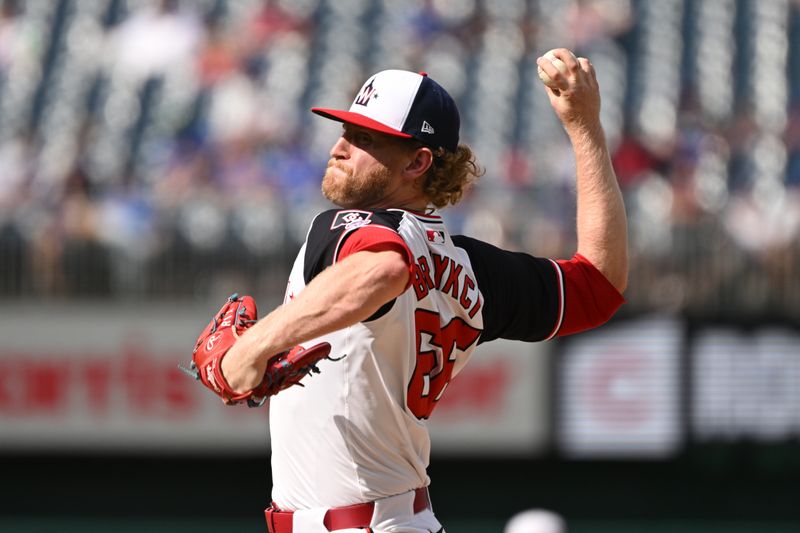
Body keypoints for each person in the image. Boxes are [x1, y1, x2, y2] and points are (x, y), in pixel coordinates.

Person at [220, 49, 628, 533]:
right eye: (346, 131)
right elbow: (598, 286)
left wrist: (252, 346)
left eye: (365, 138)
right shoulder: (471, 267)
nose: (339, 147)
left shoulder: (348, 226)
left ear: (417, 161)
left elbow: (384, 270)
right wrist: (585, 129)